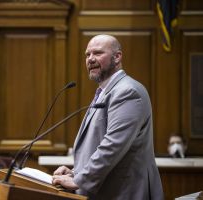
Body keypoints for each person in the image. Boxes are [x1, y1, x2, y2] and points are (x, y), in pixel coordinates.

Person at [52, 34, 164, 200]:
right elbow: (99, 144)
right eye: (87, 54)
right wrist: (76, 172)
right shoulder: (106, 91)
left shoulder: (127, 92)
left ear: (117, 57)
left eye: (97, 53)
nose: (90, 59)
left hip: (125, 193)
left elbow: (113, 146)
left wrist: (80, 180)